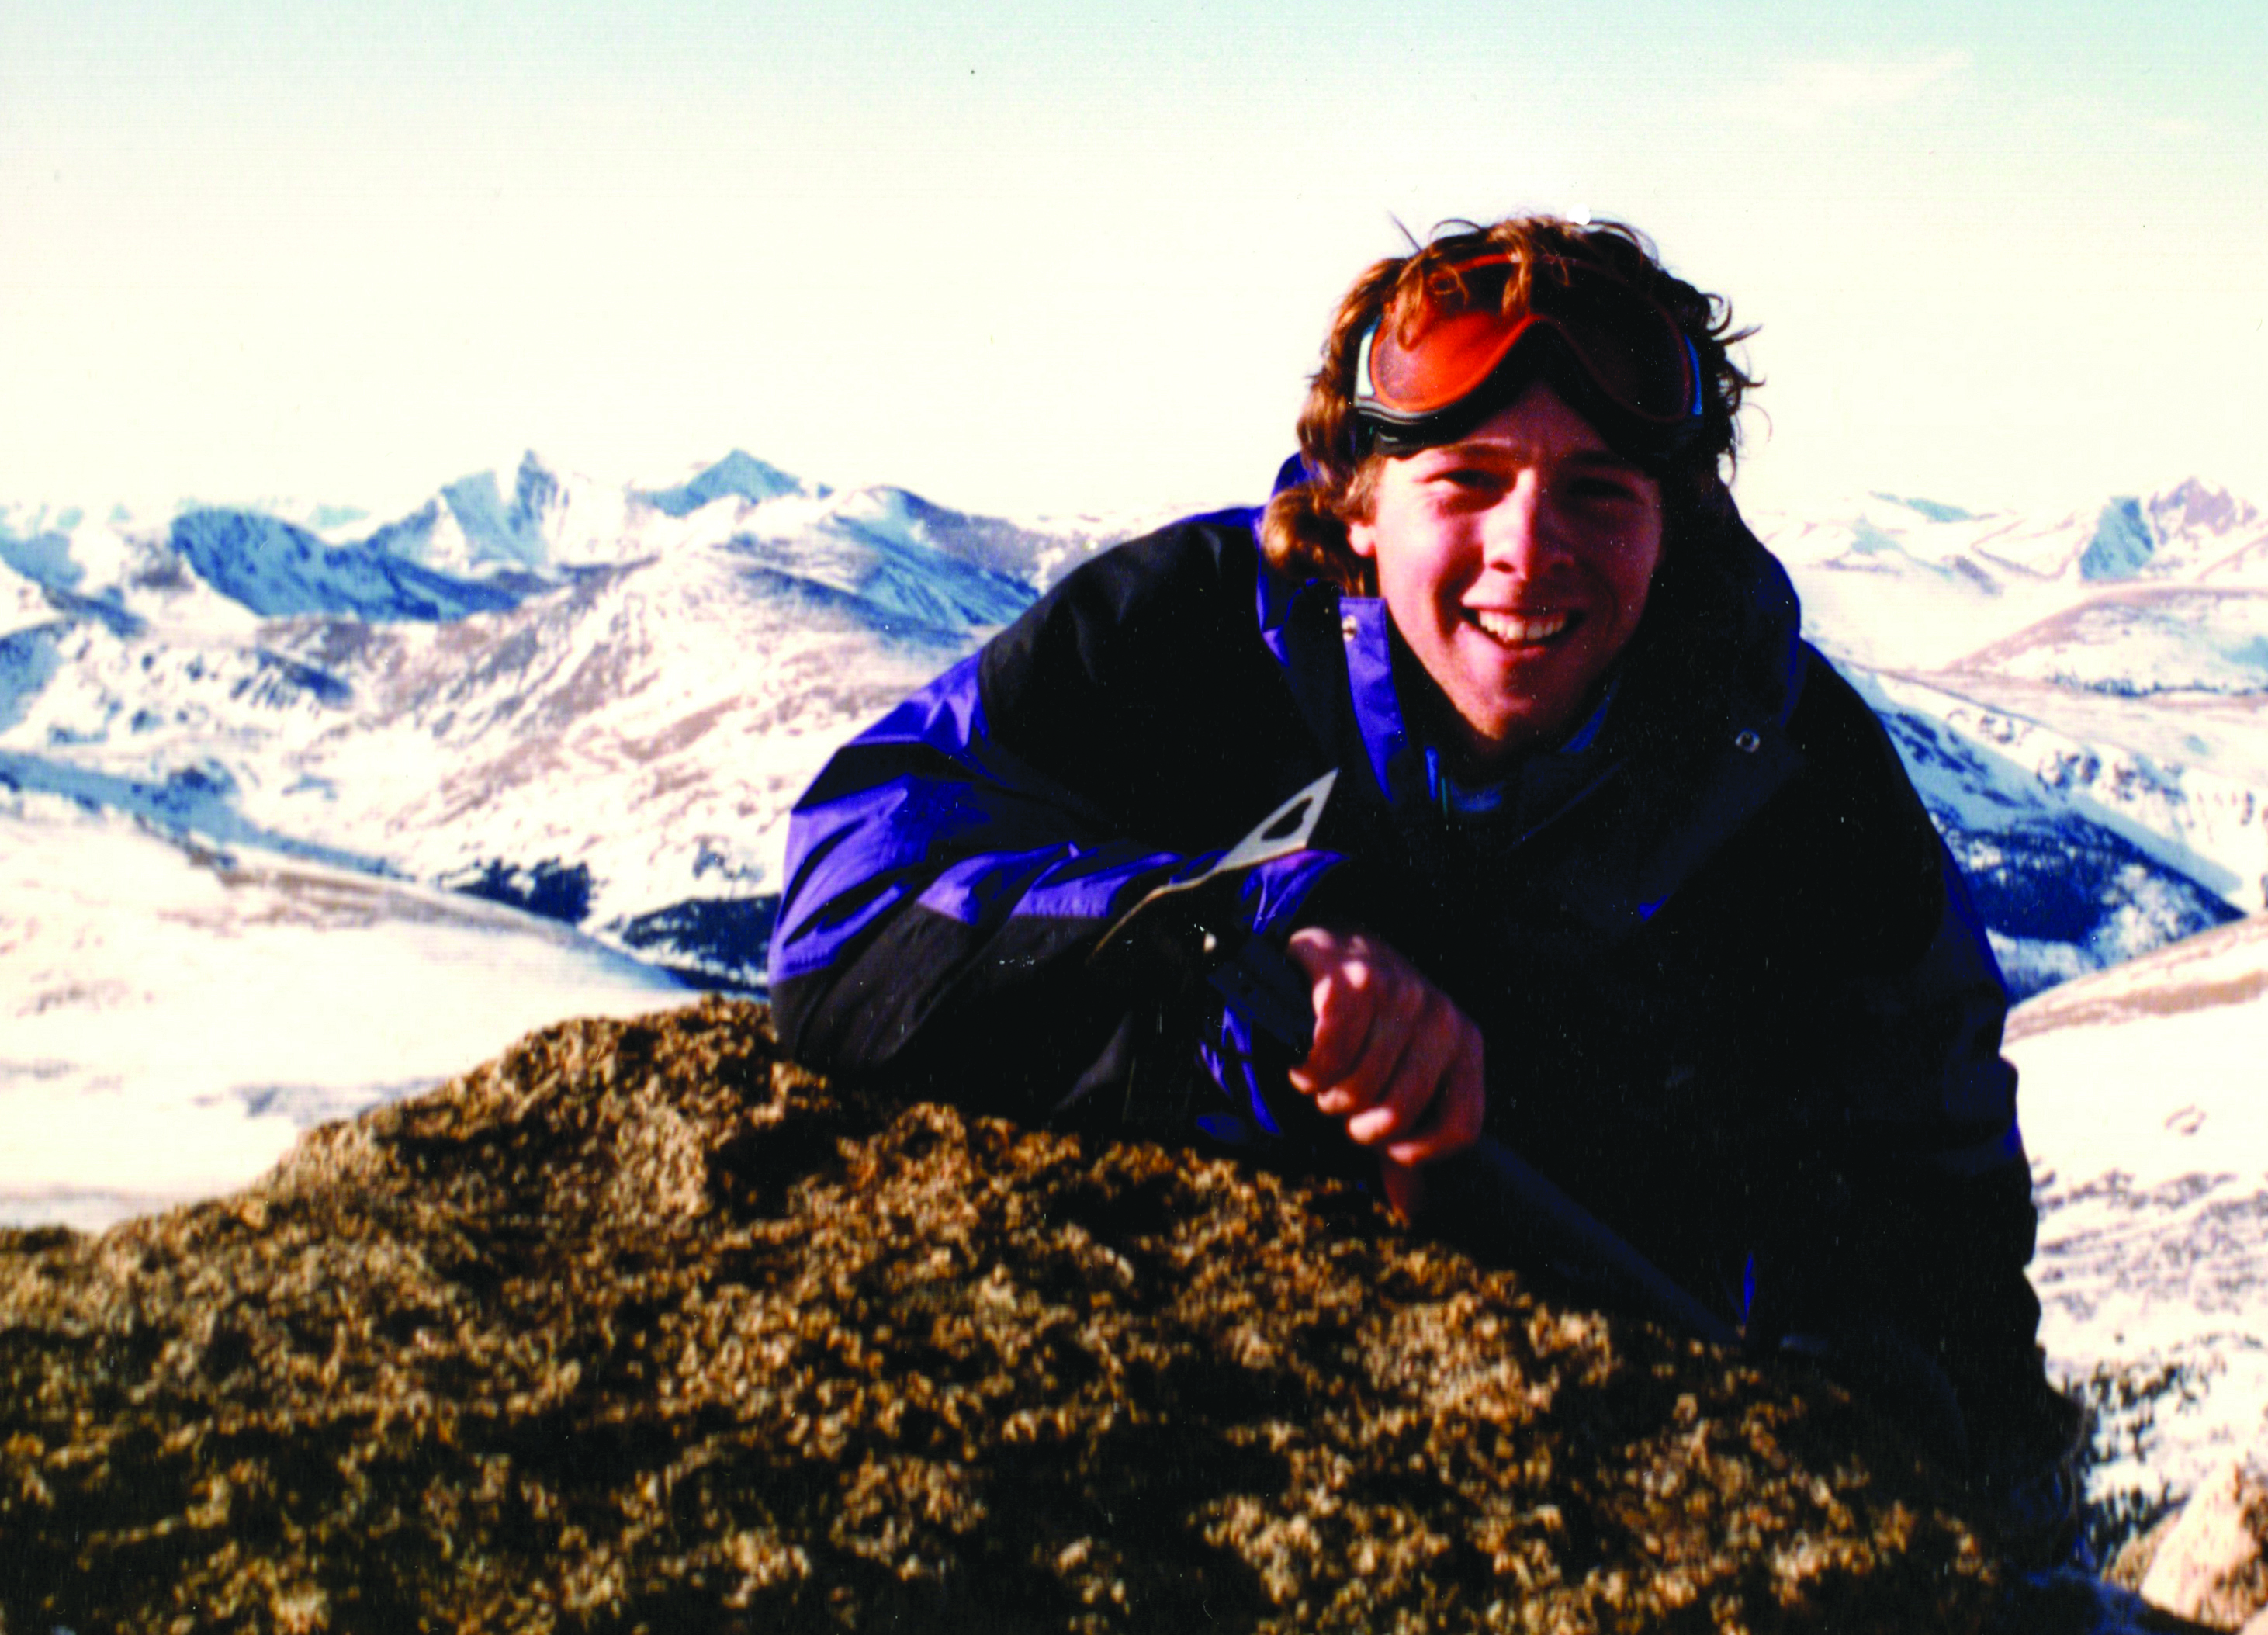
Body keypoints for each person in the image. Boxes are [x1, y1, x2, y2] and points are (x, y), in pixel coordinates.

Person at [768, 216, 2083, 1557]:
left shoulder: (1799, 781)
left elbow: (1941, 1221)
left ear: (1674, 527)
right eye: (1466, 479)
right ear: (1355, 495)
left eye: (1600, 492)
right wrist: (1247, 955)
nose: (1529, 547)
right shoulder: (1187, 631)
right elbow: (849, 884)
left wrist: (1850, 1440)